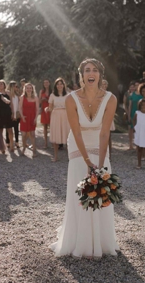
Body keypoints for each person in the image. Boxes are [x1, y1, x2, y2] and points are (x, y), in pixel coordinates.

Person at [49, 58, 119, 259]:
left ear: (100, 75)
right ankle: (81, 241)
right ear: (82, 75)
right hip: (78, 146)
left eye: (95, 70)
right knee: (81, 190)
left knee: (100, 189)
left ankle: (102, 242)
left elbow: (105, 133)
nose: (91, 73)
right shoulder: (71, 99)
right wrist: (88, 162)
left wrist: (101, 164)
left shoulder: (110, 99)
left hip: (100, 146)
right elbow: (76, 131)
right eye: (87, 70)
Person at [48, 78, 71, 162]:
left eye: (61, 84)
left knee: (68, 135)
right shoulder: (52, 95)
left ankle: (70, 157)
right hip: (56, 115)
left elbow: (71, 107)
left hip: (65, 115)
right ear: (55, 86)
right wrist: (47, 109)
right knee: (56, 134)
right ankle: (56, 156)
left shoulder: (68, 95)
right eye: (58, 84)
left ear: (64, 85)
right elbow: (50, 107)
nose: (59, 85)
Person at [20, 82, 40, 157]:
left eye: (30, 88)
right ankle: (24, 147)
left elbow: (38, 109)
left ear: (32, 89)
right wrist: (22, 116)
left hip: (32, 118)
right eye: (27, 88)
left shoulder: (35, 98)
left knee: (32, 134)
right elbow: (20, 107)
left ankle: (34, 151)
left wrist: (35, 118)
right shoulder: (22, 97)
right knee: (24, 134)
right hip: (24, 117)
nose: (28, 89)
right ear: (25, 89)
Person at [4, 81, 21, 154]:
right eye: (15, 86)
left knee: (16, 128)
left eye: (16, 86)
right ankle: (8, 142)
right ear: (11, 86)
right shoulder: (8, 94)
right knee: (9, 128)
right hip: (10, 113)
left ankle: (17, 142)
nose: (16, 87)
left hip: (17, 113)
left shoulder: (17, 95)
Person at [126, 81, 142, 151]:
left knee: (139, 130)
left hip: (140, 113)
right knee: (131, 129)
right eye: (135, 85)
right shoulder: (132, 94)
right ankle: (131, 144)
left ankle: (138, 144)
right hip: (133, 113)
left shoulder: (142, 94)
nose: (136, 86)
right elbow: (130, 106)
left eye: (138, 85)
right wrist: (129, 115)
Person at [100, 79, 114, 154]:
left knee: (108, 136)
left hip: (107, 115)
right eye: (102, 84)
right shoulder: (97, 94)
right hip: (99, 116)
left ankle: (109, 154)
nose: (103, 86)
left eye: (105, 84)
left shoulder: (109, 94)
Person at [39, 79, 52, 149]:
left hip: (50, 110)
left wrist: (46, 100)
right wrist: (42, 99)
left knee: (52, 127)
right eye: (44, 83)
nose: (46, 84)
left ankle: (53, 142)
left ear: (49, 83)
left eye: (47, 82)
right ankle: (45, 143)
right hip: (44, 110)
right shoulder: (41, 91)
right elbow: (39, 101)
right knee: (45, 127)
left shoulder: (52, 91)